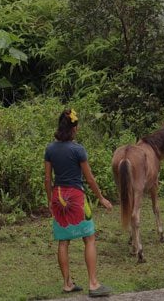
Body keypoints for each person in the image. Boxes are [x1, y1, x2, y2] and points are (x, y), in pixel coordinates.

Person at [44, 108, 114, 297]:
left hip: (58, 196)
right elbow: (89, 179)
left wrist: (50, 200)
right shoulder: (78, 149)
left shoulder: (50, 149)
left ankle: (67, 283)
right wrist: (101, 198)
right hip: (76, 197)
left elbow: (47, 179)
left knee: (63, 241)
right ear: (74, 129)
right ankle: (93, 283)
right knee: (89, 238)